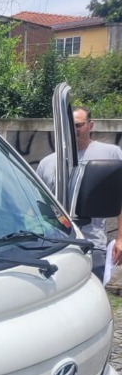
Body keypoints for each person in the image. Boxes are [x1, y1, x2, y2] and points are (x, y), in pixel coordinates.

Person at [36, 107, 122, 281]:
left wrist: (120, 238)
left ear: (90, 125)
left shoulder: (111, 154)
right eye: (69, 125)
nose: (73, 129)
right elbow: (38, 205)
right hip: (57, 244)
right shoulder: (47, 163)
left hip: (92, 243)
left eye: (78, 125)